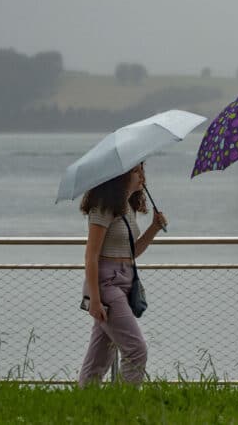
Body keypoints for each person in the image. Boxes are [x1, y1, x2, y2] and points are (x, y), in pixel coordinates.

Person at [77, 163, 167, 387]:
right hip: (106, 284)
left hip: (124, 280)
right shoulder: (103, 207)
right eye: (137, 171)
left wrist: (154, 229)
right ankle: (126, 405)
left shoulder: (128, 207)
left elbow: (131, 252)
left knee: (100, 356)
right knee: (136, 350)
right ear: (121, 175)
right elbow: (91, 256)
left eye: (142, 170)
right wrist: (95, 300)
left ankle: (84, 402)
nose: (142, 176)